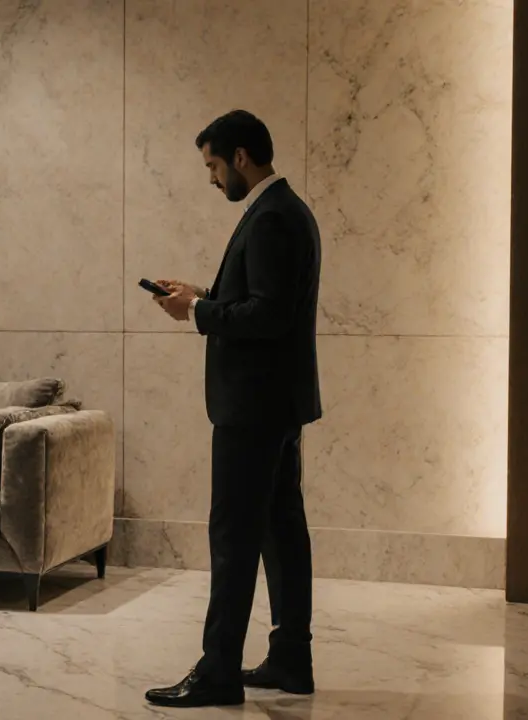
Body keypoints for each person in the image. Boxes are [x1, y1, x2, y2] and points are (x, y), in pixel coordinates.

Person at [144, 110, 322, 708]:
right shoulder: (285, 211)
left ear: (241, 157)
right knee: (280, 532)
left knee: (235, 537)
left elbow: (267, 317)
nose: (213, 179)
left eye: (214, 166)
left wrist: (197, 314)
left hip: (253, 408)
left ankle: (219, 669)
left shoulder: (271, 217)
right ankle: (292, 657)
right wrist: (204, 296)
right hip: (275, 404)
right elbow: (260, 303)